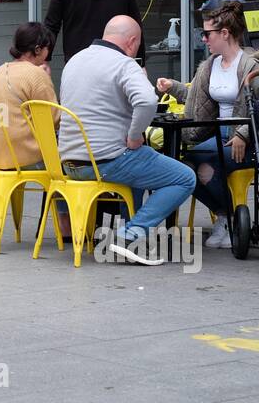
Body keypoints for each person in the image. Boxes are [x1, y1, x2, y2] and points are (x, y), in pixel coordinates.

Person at [57, 15, 195, 261]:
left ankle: (131, 243)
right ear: (132, 41)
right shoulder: (123, 64)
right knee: (184, 177)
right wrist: (133, 136)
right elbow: (147, 100)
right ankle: (130, 233)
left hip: (70, 163)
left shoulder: (75, 60)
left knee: (139, 167)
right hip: (106, 161)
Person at [156, 0, 259, 249]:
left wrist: (243, 134)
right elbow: (198, 100)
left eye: (207, 33)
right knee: (183, 167)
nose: (204, 39)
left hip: (249, 140)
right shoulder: (210, 66)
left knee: (207, 166)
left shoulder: (251, 65)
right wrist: (174, 87)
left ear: (224, 33)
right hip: (219, 136)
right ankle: (226, 216)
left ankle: (228, 220)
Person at [0, 21, 57, 169]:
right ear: (38, 49)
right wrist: (46, 79)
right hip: (26, 157)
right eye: (48, 49)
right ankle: (57, 192)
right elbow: (53, 119)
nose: (48, 55)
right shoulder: (36, 74)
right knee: (75, 159)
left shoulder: (0, 70)